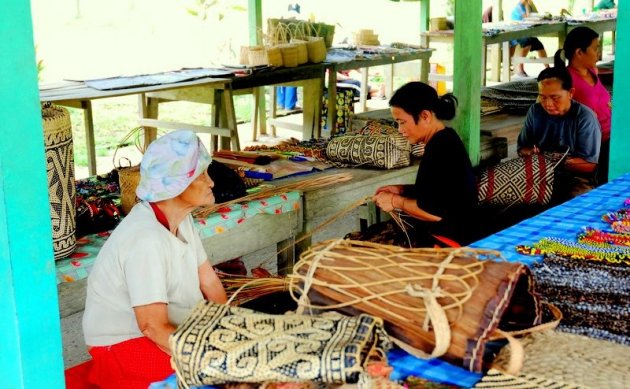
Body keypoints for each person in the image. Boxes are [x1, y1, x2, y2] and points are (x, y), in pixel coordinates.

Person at [83, 130, 227, 389]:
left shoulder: (183, 220)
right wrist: (212, 357)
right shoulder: (145, 239)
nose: (211, 183)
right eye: (201, 175)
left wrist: (233, 329)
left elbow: (210, 283)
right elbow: (152, 327)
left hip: (168, 332)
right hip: (123, 345)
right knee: (214, 377)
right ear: (176, 185)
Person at [370, 82, 478, 247]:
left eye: (402, 122)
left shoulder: (441, 148)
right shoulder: (445, 139)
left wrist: (395, 201)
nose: (400, 130)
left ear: (425, 116)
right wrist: (402, 190)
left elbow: (434, 212)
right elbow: (439, 191)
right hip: (452, 233)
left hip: (450, 242)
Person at [517, 66, 602, 202]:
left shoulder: (585, 117)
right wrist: (530, 153)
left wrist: (557, 161)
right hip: (540, 173)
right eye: (542, 97)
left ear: (571, 93)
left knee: (577, 200)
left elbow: (589, 164)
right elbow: (522, 148)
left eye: (555, 97)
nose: (548, 104)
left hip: (576, 178)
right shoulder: (535, 111)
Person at [555, 26, 611, 185]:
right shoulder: (566, 80)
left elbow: (604, 102)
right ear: (579, 52)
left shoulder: (592, 71)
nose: (598, 53)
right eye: (595, 49)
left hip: (610, 136)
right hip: (594, 145)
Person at [510, 0, 549, 77]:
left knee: (539, 46)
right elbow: (528, 18)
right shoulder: (519, 7)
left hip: (527, 32)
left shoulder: (528, 5)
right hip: (517, 32)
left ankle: (547, 68)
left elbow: (533, 16)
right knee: (527, 43)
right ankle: (520, 69)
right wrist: (527, 6)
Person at [276, 3, 301, 111]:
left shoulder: (278, 23)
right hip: (291, 54)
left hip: (279, 54)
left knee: (280, 78)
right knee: (292, 77)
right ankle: (289, 105)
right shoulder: (297, 25)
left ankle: (281, 103)